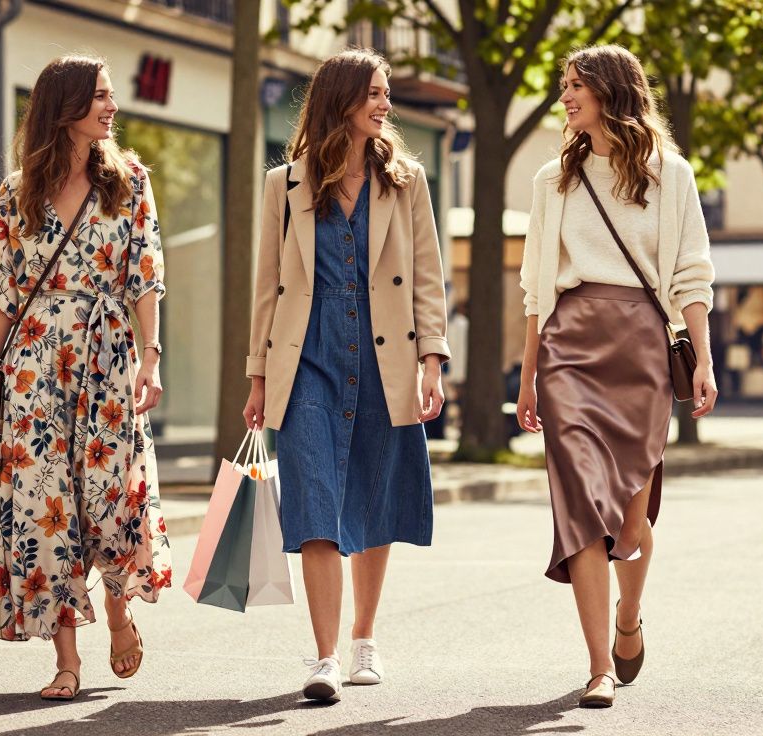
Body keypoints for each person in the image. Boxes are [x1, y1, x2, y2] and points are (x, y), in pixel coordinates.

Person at [243, 48, 449, 703]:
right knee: (315, 506)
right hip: (307, 360)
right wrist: (257, 378)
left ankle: (364, 638)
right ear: (342, 100)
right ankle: (324, 656)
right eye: (374, 94)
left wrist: (433, 362)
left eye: (386, 93)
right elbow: (268, 286)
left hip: (385, 354)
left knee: (375, 492)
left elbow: (426, 275)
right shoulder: (287, 184)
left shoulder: (407, 179)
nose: (385, 105)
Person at [515, 45, 717, 709]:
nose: (565, 96)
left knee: (629, 520)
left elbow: (690, 271)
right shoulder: (552, 181)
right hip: (569, 346)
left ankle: (630, 616)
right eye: (563, 85)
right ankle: (598, 665)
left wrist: (705, 358)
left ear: (610, 91)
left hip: (641, 346)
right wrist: (527, 374)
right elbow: (535, 289)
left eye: (575, 85)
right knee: (580, 510)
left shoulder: (670, 173)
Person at [0, 54, 170, 700]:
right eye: (101, 97)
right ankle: (66, 660)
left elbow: (145, 275)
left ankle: (116, 608)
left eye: (112, 96)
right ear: (68, 106)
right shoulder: (17, 191)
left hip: (106, 358)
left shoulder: (130, 182)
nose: (112, 107)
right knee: (42, 510)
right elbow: (1, 294)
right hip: (33, 369)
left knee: (110, 499)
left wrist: (151, 356)